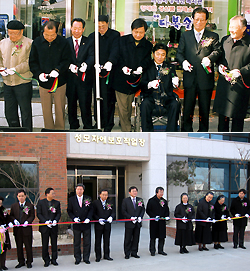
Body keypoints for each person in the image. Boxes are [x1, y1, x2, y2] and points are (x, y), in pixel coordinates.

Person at [176, 7, 221, 132]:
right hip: (190, 78)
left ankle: (203, 131)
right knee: (188, 108)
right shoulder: (185, 35)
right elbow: (179, 53)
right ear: (193, 19)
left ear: (206, 21)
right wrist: (183, 62)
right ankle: (186, 130)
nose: (199, 22)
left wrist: (210, 58)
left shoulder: (213, 36)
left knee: (204, 108)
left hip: (205, 79)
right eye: (197, 19)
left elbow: (218, 51)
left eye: (202, 20)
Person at [29, 20, 71, 130]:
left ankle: (59, 130)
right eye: (46, 35)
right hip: (43, 83)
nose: (49, 37)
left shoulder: (63, 42)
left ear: (56, 33)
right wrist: (38, 74)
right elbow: (32, 62)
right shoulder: (37, 42)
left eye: (52, 35)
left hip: (59, 82)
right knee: (46, 109)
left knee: (59, 108)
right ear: (43, 32)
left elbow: (67, 60)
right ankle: (48, 131)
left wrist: (58, 70)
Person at [113, 18, 153, 132]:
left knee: (129, 105)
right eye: (136, 32)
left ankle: (124, 122)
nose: (138, 34)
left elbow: (147, 60)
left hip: (136, 80)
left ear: (145, 32)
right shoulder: (122, 41)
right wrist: (123, 67)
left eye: (141, 32)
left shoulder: (147, 45)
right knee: (123, 107)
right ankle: (127, 130)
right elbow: (117, 56)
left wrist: (141, 67)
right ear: (131, 30)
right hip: (121, 79)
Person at [213, 15, 250, 132]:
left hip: (240, 88)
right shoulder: (225, 40)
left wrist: (241, 71)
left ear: (243, 28)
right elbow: (219, 58)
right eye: (230, 26)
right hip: (224, 86)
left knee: (237, 122)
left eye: (234, 27)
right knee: (222, 121)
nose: (231, 29)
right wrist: (219, 66)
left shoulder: (248, 43)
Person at [0, 20, 33, 131]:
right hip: (7, 83)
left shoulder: (29, 43)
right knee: (9, 112)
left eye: (15, 33)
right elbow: (0, 59)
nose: (12, 36)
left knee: (25, 112)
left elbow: (30, 62)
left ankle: (27, 134)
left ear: (21, 32)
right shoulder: (3, 43)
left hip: (23, 83)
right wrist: (1, 69)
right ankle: (15, 133)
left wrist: (15, 69)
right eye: (10, 33)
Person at [88, 15, 120, 131]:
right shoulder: (92, 36)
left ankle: (108, 123)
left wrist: (110, 62)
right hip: (95, 71)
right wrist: (94, 63)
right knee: (97, 96)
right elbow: (91, 51)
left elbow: (115, 50)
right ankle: (98, 122)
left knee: (108, 99)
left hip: (109, 72)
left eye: (103, 26)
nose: (101, 28)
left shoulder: (115, 35)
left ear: (108, 24)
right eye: (98, 26)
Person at [140, 43, 180, 132]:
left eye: (163, 55)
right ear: (153, 54)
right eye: (157, 54)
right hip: (150, 97)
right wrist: (149, 84)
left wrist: (176, 82)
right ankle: (147, 132)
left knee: (175, 104)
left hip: (166, 97)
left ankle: (171, 133)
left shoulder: (170, 67)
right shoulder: (147, 66)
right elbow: (142, 83)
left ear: (165, 56)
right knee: (145, 104)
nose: (160, 57)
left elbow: (175, 78)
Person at [66, 18, 94, 129]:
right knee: (71, 104)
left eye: (79, 28)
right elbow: (63, 57)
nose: (77, 31)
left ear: (83, 29)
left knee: (85, 104)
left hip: (85, 79)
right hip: (70, 79)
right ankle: (73, 125)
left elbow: (92, 56)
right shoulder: (66, 42)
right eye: (75, 28)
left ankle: (87, 126)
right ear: (71, 28)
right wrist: (69, 65)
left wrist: (86, 65)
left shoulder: (89, 42)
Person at [67, 184, 93, 265]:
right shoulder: (71, 199)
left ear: (83, 190)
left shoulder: (88, 198)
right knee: (77, 242)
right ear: (75, 190)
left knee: (87, 242)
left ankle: (86, 258)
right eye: (78, 189)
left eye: (81, 189)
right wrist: (74, 218)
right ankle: (77, 258)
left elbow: (91, 209)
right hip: (77, 224)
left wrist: (88, 218)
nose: (79, 191)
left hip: (86, 224)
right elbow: (69, 211)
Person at [10, 189, 35, 268]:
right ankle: (21, 261)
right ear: (17, 197)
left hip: (26, 229)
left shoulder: (30, 205)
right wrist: (14, 220)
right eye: (19, 196)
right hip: (17, 230)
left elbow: (32, 216)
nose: (21, 198)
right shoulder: (14, 206)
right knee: (19, 246)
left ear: (25, 196)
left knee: (28, 246)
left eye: (22, 196)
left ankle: (29, 261)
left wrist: (28, 222)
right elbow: (11, 215)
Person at [36, 188, 61, 267]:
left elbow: (58, 213)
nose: (54, 195)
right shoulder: (41, 202)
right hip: (45, 227)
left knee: (54, 243)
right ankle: (46, 260)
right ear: (47, 194)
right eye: (52, 193)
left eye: (54, 193)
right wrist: (45, 221)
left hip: (53, 227)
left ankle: (54, 259)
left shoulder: (56, 203)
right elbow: (39, 214)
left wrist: (55, 221)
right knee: (45, 244)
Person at [121, 186, 145, 259]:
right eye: (133, 191)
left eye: (135, 191)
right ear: (129, 192)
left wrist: (140, 217)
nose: (135, 192)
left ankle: (134, 252)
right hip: (129, 223)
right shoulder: (125, 200)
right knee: (128, 239)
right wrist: (130, 217)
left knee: (136, 239)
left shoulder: (140, 200)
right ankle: (127, 253)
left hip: (137, 223)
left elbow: (143, 209)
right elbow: (123, 211)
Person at [92, 189, 115, 262]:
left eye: (106, 195)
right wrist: (98, 219)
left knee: (107, 240)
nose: (105, 196)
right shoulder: (95, 203)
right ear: (100, 195)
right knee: (98, 240)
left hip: (107, 224)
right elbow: (93, 213)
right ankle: (98, 256)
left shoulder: (110, 202)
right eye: (103, 195)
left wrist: (111, 217)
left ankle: (107, 255)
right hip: (99, 224)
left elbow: (113, 212)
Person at [146, 187, 170, 256]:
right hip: (154, 221)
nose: (162, 193)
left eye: (162, 192)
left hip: (162, 222)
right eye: (160, 192)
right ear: (156, 192)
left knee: (162, 236)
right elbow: (148, 210)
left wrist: (166, 216)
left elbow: (166, 210)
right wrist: (153, 216)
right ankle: (152, 250)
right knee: (153, 237)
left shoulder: (164, 201)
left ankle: (161, 250)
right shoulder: (151, 200)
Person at [0, 196, 12, 271]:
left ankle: (3, 264)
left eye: (1, 203)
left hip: (4, 231)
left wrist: (9, 222)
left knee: (4, 248)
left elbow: (7, 217)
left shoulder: (3, 209)